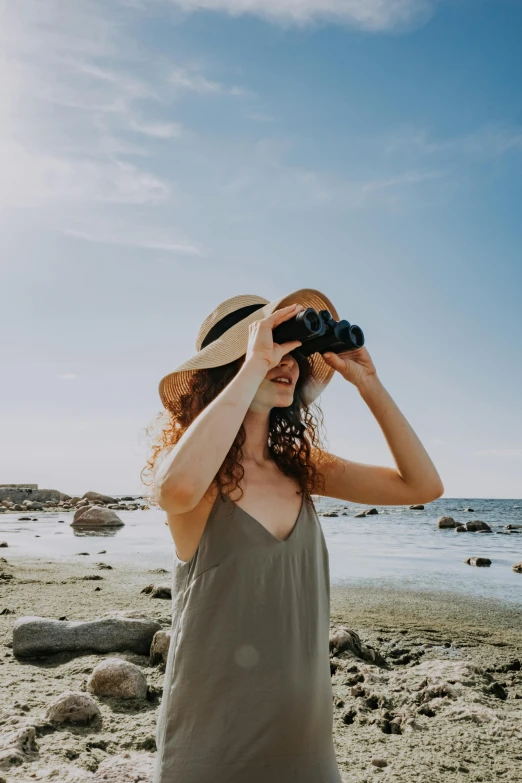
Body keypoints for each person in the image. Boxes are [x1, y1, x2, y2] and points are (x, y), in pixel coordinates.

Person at [145, 287, 444, 783]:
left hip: (304, 740)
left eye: (294, 352)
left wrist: (369, 383)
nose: (288, 363)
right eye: (273, 347)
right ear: (229, 367)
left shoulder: (303, 470)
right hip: (212, 741)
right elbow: (174, 489)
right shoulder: (198, 478)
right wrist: (254, 362)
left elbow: (423, 486)